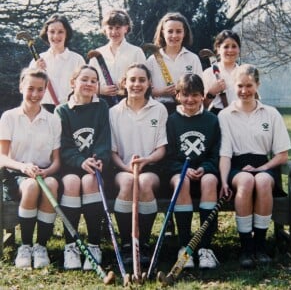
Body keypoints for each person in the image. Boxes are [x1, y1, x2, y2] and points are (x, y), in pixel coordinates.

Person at [218, 64, 291, 268]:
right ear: (234, 86)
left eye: (249, 85)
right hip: (237, 167)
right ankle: (246, 247)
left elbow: (282, 154)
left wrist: (262, 168)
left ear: (257, 84)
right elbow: (224, 154)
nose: (244, 91)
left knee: (262, 181)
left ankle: (260, 245)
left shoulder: (271, 113)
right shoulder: (225, 115)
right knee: (246, 181)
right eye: (240, 85)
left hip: (265, 165)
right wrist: (224, 181)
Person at [0, 68, 61, 269]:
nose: (35, 94)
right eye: (30, 89)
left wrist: (47, 171)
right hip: (16, 174)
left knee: (50, 184)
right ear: (21, 87)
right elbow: (2, 157)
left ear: (45, 91)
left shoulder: (53, 119)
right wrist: (23, 167)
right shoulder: (9, 117)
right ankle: (25, 246)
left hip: (44, 174)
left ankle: (40, 246)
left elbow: (56, 162)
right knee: (31, 187)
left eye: (40, 90)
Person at [109, 63, 168, 264]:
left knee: (143, 183)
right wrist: (126, 167)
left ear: (150, 83)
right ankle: (127, 243)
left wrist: (147, 160)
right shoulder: (114, 112)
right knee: (127, 183)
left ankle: (142, 243)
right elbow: (113, 151)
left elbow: (161, 148)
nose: (136, 84)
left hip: (151, 166)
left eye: (142, 80)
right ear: (124, 83)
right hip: (122, 167)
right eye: (132, 80)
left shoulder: (159, 109)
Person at [55, 65, 111, 270]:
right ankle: (71, 246)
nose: (89, 84)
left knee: (90, 181)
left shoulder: (102, 106)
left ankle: (94, 244)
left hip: (95, 166)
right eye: (84, 79)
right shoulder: (62, 110)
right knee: (71, 182)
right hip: (72, 166)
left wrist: (98, 158)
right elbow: (64, 145)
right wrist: (80, 161)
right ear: (73, 83)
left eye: (93, 81)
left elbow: (105, 138)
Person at [165, 73, 221, 269]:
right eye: (186, 95)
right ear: (178, 96)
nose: (190, 100)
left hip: (205, 172)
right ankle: (185, 246)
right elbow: (168, 155)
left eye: (196, 95)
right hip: (180, 174)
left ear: (202, 96)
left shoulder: (212, 120)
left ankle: (205, 248)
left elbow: (215, 153)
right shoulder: (171, 120)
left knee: (210, 181)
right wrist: (183, 170)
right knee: (182, 182)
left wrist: (205, 168)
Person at [146, 12, 203, 115]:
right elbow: (145, 90)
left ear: (184, 33)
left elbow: (200, 89)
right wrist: (161, 92)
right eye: (170, 31)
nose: (174, 35)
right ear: (163, 32)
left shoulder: (193, 58)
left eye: (178, 31)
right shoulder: (153, 60)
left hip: (186, 110)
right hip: (158, 109)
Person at [89, 9, 146, 107]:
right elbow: (89, 80)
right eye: (110, 28)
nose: (114, 32)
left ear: (126, 28)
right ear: (104, 29)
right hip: (101, 103)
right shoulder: (97, 53)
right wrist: (100, 89)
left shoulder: (136, 52)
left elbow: (144, 80)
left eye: (118, 27)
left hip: (129, 102)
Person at [30, 13, 85, 113]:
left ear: (66, 34)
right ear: (46, 33)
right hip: (43, 111)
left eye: (60, 32)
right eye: (52, 32)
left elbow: (84, 89)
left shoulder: (77, 59)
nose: (56, 36)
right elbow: (29, 89)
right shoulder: (38, 60)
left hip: (70, 111)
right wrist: (36, 71)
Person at [202, 29, 241, 114]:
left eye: (234, 46)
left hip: (240, 116)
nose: (230, 50)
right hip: (216, 116)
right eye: (226, 46)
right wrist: (211, 93)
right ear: (218, 48)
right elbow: (201, 107)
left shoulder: (244, 73)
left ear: (239, 49)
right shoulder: (208, 73)